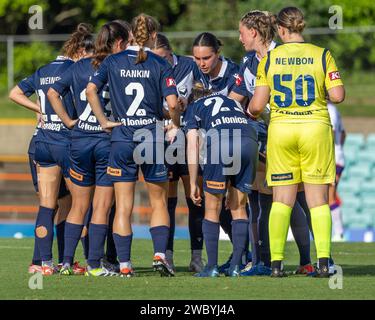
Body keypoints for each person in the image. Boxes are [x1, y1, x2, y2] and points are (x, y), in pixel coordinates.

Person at [248, 6, 345, 277]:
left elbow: (256, 106)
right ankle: (324, 263)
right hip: (314, 129)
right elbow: (337, 95)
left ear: (280, 29)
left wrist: (252, 111)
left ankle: (277, 265)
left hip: (282, 131)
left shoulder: (270, 58)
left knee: (281, 200)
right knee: (317, 201)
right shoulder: (322, 54)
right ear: (300, 27)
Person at [87, 13, 180, 277]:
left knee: (123, 205)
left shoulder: (112, 61)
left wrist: (104, 120)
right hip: (151, 136)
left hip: (122, 138)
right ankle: (160, 255)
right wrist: (175, 124)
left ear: (129, 36)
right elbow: (173, 104)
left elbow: (90, 90)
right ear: (153, 36)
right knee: (159, 202)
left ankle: (125, 265)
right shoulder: (160, 64)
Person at [229, 10, 313, 276]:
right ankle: (265, 261)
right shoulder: (248, 60)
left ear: (253, 32)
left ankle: (304, 259)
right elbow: (235, 98)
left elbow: (256, 105)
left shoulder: (282, 55)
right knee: (263, 198)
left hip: (285, 132)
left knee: (288, 198)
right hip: (262, 134)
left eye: (242, 33)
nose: (240, 38)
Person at [8, 23, 93, 275]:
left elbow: (14, 93)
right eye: (89, 55)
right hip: (68, 141)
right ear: (80, 51)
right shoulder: (77, 71)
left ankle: (43, 264)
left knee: (48, 205)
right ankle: (69, 261)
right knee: (79, 204)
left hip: (43, 142)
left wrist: (40, 110)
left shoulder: (44, 70)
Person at [48, 21, 130, 276]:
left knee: (78, 206)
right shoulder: (117, 65)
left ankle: (66, 263)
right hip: (106, 140)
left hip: (80, 139)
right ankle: (94, 264)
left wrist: (68, 121)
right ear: (118, 43)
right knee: (102, 206)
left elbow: (52, 93)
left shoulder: (78, 66)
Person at [185, 83, 258, 277]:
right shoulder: (232, 102)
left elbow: (193, 146)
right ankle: (236, 266)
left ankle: (211, 267)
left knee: (212, 208)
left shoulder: (194, 107)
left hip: (222, 142)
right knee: (239, 207)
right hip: (249, 141)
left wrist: (193, 183)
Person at [152, 33, 204, 272]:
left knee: (195, 197)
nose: (159, 62)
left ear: (170, 53)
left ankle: (196, 256)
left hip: (189, 137)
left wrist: (191, 99)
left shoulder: (188, 65)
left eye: (162, 57)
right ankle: (168, 255)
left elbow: (206, 88)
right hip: (162, 138)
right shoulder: (149, 67)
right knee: (167, 202)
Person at [327, 101, 346, 241]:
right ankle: (338, 233)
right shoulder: (334, 109)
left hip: (332, 158)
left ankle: (339, 233)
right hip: (336, 157)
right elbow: (343, 133)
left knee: (330, 196)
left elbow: (332, 131)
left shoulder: (329, 108)